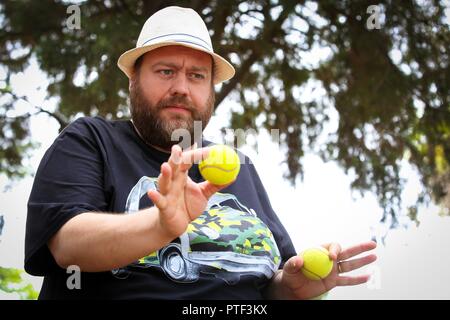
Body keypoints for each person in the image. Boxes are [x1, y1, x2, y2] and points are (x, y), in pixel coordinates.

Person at [25, 6, 377, 300]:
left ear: (210, 90)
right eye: (166, 71)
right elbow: (68, 245)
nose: (181, 88)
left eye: (196, 76)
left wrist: (291, 288)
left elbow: (271, 279)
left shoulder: (240, 167)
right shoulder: (91, 139)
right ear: (133, 78)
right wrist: (160, 225)